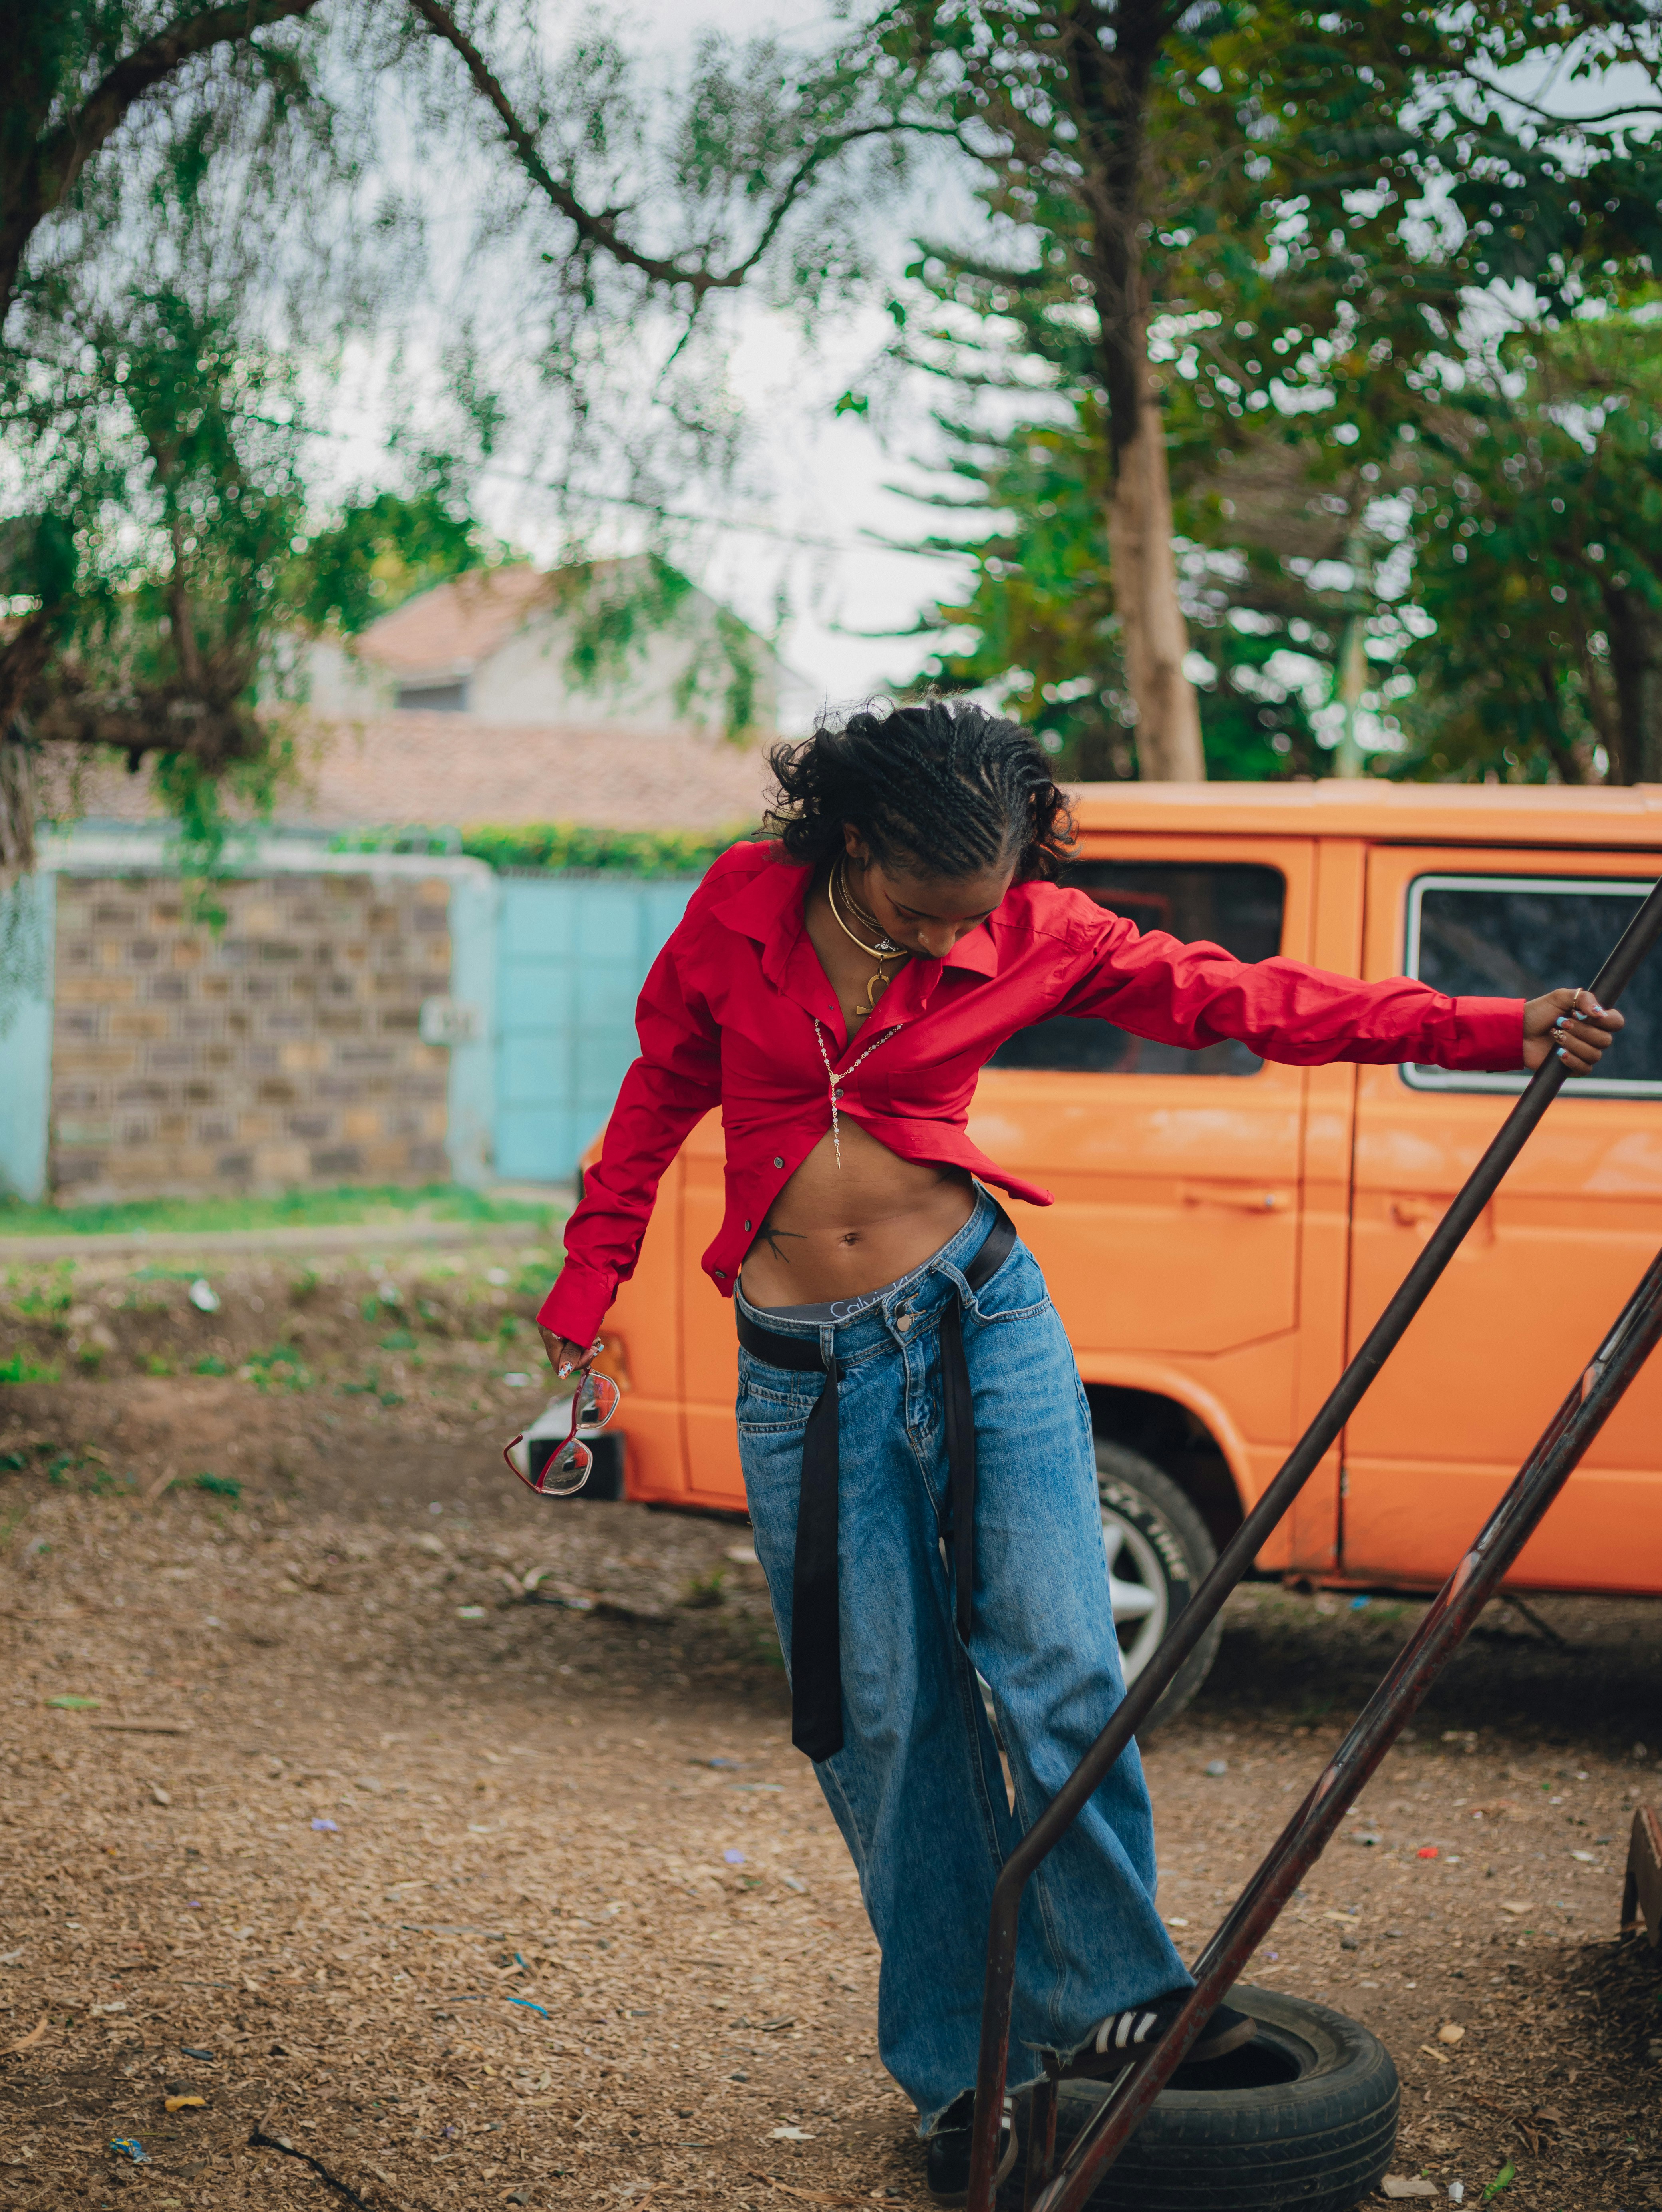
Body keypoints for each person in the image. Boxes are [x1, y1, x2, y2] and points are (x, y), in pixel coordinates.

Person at [534, 700, 1621, 2202]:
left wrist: (1492, 1029)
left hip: (983, 1319)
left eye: (970, 922)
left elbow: (1246, 1000)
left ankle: (1117, 1999)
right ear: (857, 845)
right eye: (922, 916)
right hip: (806, 1375)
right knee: (880, 1727)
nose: (944, 948)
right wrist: (585, 1300)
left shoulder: (1039, 928)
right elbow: (659, 1095)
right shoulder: (738, 909)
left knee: (1059, 1662)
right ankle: (956, 2074)